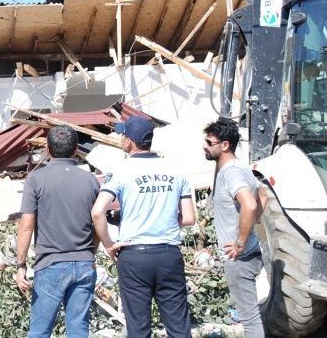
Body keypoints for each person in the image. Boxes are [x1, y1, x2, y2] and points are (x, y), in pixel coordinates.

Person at [92, 115, 195, 338]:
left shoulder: (120, 171)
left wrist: (109, 244)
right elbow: (188, 218)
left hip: (134, 255)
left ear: (129, 141)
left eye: (122, 135)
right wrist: (165, 219)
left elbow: (97, 211)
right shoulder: (175, 170)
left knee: (138, 327)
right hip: (168, 254)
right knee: (178, 325)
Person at [15, 125, 100, 338]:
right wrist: (92, 253)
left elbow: (26, 225)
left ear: (47, 148)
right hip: (84, 264)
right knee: (79, 330)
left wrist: (21, 265)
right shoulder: (90, 180)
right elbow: (99, 221)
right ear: (75, 150)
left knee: (39, 332)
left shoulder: (36, 179)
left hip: (50, 265)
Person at [202, 117, 264, 338]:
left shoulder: (231, 172)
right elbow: (263, 193)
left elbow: (249, 203)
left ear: (225, 145)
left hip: (240, 257)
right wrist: (253, 223)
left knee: (250, 319)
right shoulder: (241, 167)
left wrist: (240, 242)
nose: (204, 146)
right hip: (249, 252)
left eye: (209, 142)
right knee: (250, 315)